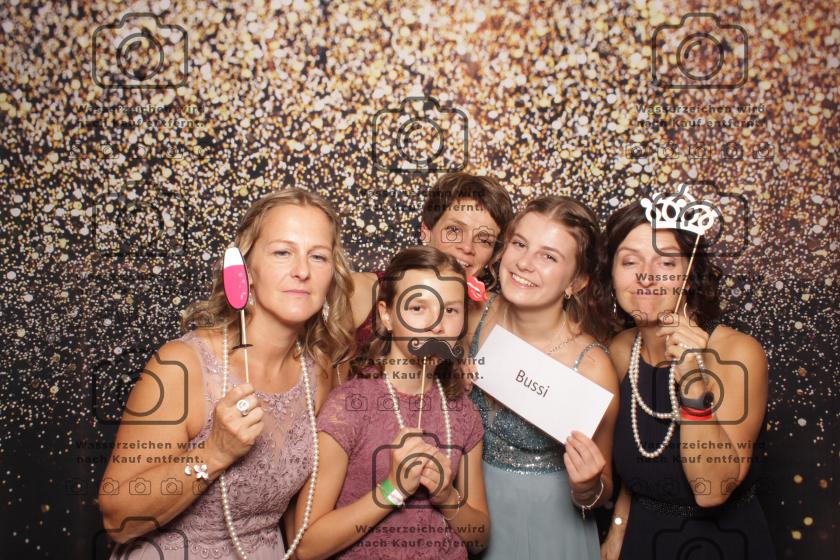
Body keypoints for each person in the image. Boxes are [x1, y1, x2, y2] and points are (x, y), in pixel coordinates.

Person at [98, 189, 355, 559]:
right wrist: (214, 453)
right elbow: (117, 518)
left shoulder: (321, 372)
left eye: (318, 256)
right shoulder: (182, 366)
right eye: (282, 252)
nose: (302, 271)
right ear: (245, 268)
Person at [600, 200, 775, 560]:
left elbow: (712, 490)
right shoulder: (619, 350)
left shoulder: (737, 353)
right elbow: (638, 460)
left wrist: (694, 385)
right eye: (630, 262)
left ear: (690, 275)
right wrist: (618, 527)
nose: (646, 276)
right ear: (611, 274)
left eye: (666, 263)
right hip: (642, 540)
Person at [294, 246, 490, 559]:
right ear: (386, 315)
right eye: (418, 307)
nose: (436, 324)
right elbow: (306, 547)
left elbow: (479, 538)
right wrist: (392, 489)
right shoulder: (349, 407)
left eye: (451, 310)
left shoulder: (463, 411)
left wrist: (447, 496)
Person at [468, 196, 619, 559]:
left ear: (577, 281)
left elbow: (603, 492)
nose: (524, 263)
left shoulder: (592, 367)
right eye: (520, 244)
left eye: (548, 257)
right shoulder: (472, 315)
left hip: (547, 528)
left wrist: (587, 487)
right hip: (465, 510)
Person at [350, 172, 514, 357]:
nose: (467, 247)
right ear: (426, 231)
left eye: (484, 240)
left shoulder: (490, 313)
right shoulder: (363, 291)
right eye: (454, 230)